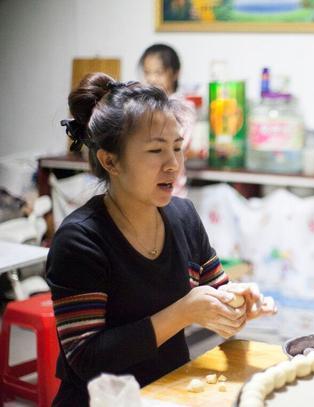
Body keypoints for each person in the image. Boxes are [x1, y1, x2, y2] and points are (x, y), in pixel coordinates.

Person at [48, 72, 276, 406]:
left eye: (177, 148)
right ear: (110, 160)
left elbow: (216, 292)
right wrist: (182, 313)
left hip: (171, 391)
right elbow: (86, 358)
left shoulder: (183, 216)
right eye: (156, 150)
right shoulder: (80, 240)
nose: (173, 164)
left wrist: (238, 303)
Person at [139, 43, 191, 197]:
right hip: (147, 190)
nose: (151, 79)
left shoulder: (183, 107)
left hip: (174, 192)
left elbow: (177, 145)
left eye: (158, 72)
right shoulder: (144, 105)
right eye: (147, 72)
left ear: (175, 73)